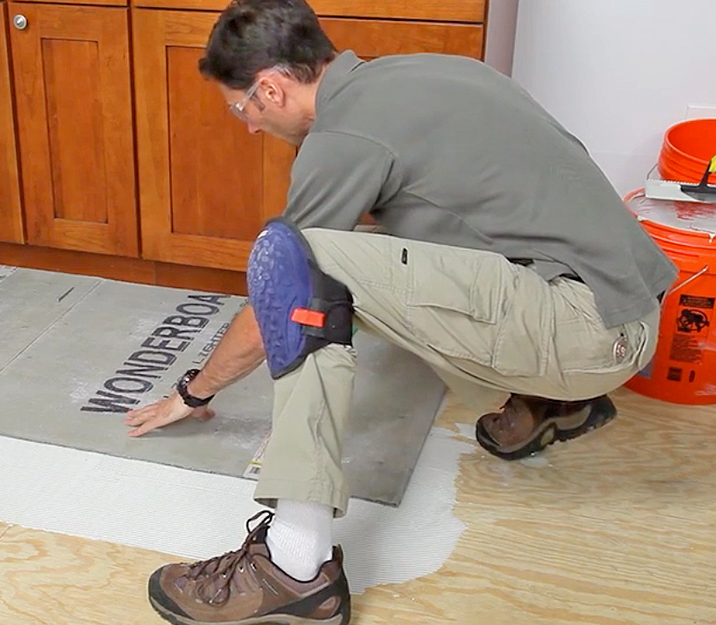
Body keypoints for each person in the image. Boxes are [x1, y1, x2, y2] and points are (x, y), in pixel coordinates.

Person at [123, 0, 678, 622]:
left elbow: (284, 287)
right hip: (632, 314)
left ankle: (293, 564)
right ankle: (554, 402)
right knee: (363, 262)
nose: (249, 125)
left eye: (241, 108)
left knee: (302, 262)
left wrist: (193, 392)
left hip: (582, 335)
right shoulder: (431, 73)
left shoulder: (343, 139)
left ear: (271, 89)